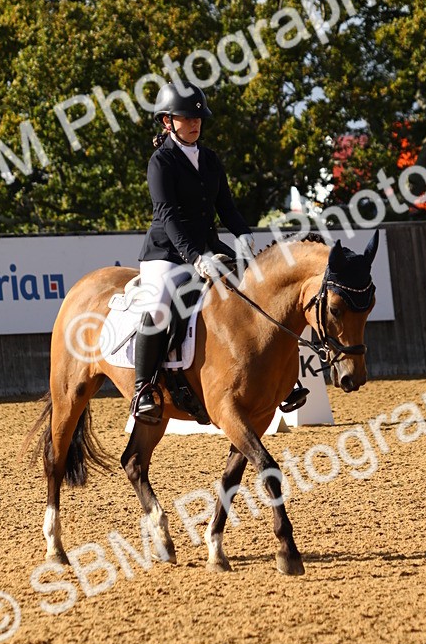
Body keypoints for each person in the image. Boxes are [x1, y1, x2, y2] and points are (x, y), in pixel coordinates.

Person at [131, 80, 309, 423]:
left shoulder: (210, 159)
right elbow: (168, 216)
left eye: (198, 118)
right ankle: (144, 389)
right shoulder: (161, 162)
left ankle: (280, 380)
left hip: (209, 247)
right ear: (167, 121)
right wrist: (195, 257)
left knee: (257, 290)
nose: (195, 123)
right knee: (159, 306)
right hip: (166, 253)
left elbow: (225, 206)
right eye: (186, 117)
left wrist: (244, 234)